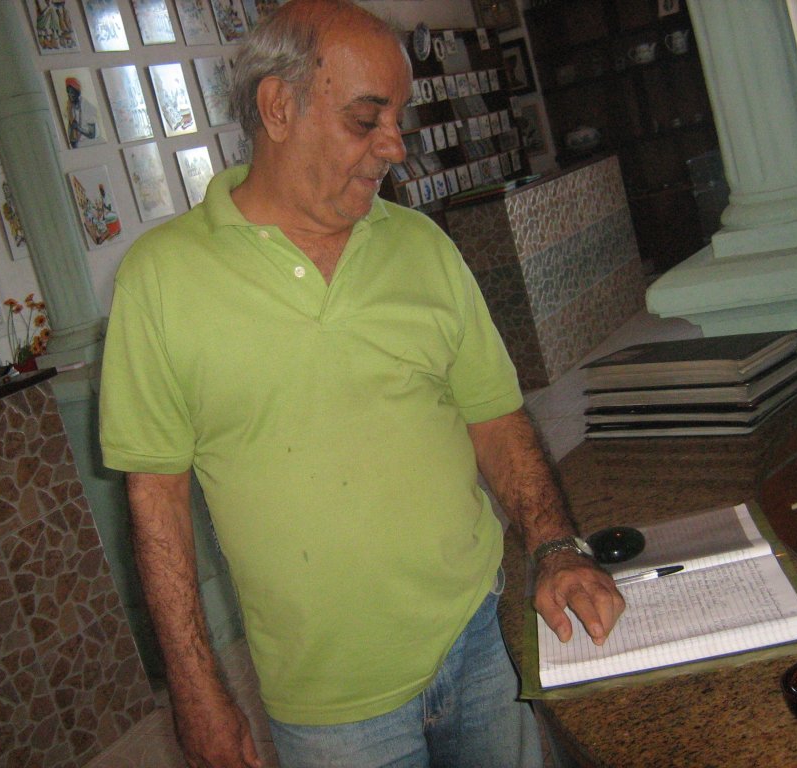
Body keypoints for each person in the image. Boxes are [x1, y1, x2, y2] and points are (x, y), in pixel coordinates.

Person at [98, 2, 625, 766]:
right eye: (365, 119)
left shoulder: (422, 245)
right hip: (333, 706)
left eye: (398, 118)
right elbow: (157, 504)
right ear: (278, 107)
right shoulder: (160, 279)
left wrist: (555, 546)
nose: (395, 146)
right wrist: (196, 689)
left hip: (479, 634)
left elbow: (495, 418)